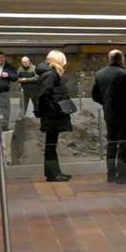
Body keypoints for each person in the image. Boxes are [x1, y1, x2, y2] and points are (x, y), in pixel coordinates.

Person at [91, 49, 126, 184]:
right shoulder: (125, 74)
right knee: (123, 143)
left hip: (109, 113)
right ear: (121, 59)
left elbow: (95, 95)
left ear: (109, 59)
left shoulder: (100, 74)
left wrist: (106, 103)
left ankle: (110, 174)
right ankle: (122, 174)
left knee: (111, 142)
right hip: (124, 114)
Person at [35, 50, 73, 183]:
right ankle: (53, 174)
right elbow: (43, 95)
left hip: (51, 113)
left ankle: (54, 172)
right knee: (51, 145)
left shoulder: (50, 73)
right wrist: (49, 109)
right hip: (52, 114)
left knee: (51, 144)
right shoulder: (50, 74)